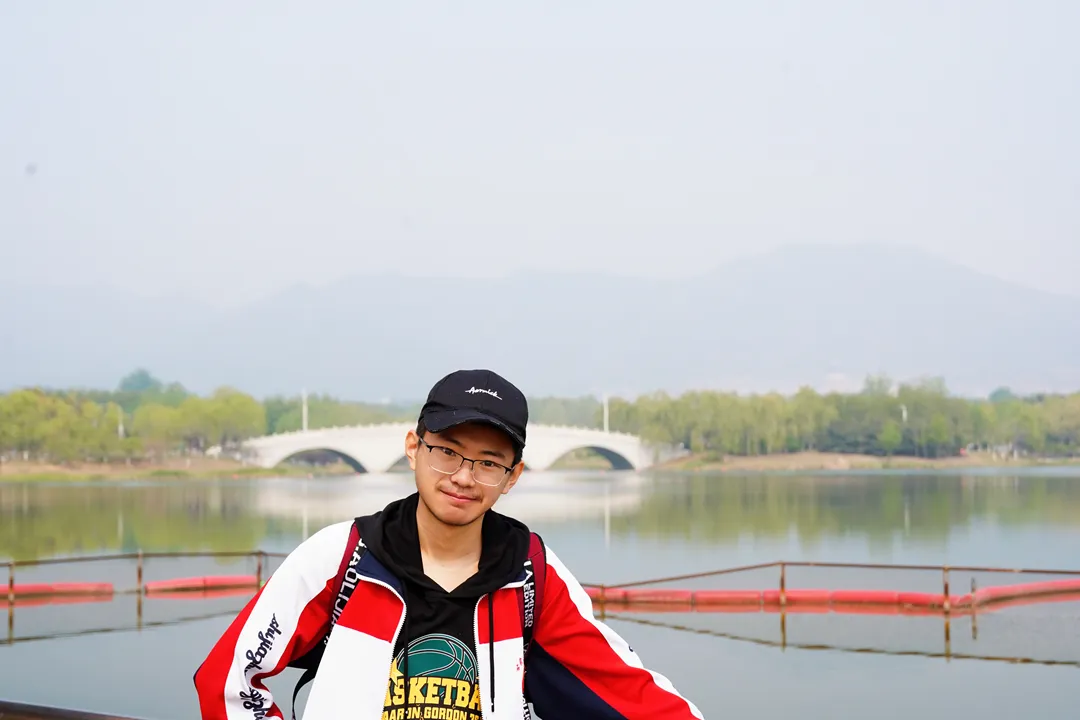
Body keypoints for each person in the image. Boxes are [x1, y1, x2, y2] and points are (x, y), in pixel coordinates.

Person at [193, 369, 703, 720]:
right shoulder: (342, 558)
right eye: (447, 452)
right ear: (413, 448)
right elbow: (229, 680)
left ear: (513, 476)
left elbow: (626, 690)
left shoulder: (530, 575)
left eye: (488, 462)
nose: (463, 476)